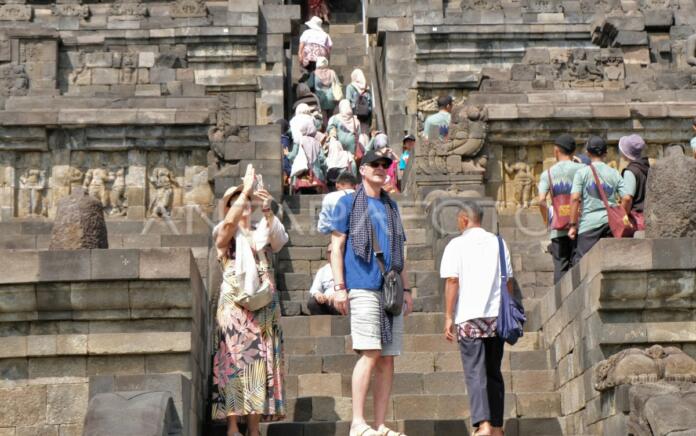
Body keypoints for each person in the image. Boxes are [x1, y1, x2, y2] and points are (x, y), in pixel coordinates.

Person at [329, 149, 413, 436]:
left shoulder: (392, 207)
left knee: (388, 357)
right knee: (371, 351)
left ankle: (379, 424)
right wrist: (339, 287)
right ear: (362, 170)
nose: (380, 168)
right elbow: (336, 247)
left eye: (385, 165)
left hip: (390, 288)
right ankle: (357, 423)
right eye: (374, 164)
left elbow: (400, 252)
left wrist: (408, 288)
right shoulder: (347, 204)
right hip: (362, 284)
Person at [211, 164, 289, 436]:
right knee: (232, 363)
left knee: (258, 365)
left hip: (263, 307)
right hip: (234, 308)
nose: (243, 205)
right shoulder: (223, 235)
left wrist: (268, 210)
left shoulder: (260, 232)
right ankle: (233, 426)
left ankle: (254, 428)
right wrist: (245, 189)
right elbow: (229, 225)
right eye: (235, 203)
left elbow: (279, 241)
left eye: (245, 202)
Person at [441, 200, 513, 436]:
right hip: (496, 317)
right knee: (494, 371)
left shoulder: (456, 245)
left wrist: (448, 316)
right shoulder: (499, 243)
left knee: (475, 371)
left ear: (463, 219)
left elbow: (452, 281)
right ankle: (498, 427)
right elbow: (508, 282)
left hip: (470, 316)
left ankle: (483, 425)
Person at [569, 136, 631, 263]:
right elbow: (627, 198)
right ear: (606, 154)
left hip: (589, 225)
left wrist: (573, 225)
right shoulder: (614, 173)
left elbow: (575, 198)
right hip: (610, 224)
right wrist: (621, 215)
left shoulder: (582, 173)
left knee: (583, 264)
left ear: (587, 152)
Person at [536, 134, 584, 284]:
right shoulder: (583, 169)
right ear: (573, 151)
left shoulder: (548, 173)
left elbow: (541, 200)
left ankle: (560, 304)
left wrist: (547, 221)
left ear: (556, 150)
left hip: (558, 227)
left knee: (560, 266)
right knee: (579, 265)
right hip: (580, 225)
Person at [288, 115, 328, 194]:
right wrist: (324, 175)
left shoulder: (299, 141)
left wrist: (287, 154)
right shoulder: (317, 143)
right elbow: (323, 161)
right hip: (316, 176)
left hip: (301, 174)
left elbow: (292, 156)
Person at [618, 134, 649, 231]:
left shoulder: (631, 171)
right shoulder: (647, 168)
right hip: (648, 218)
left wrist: (622, 217)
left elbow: (627, 198)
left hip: (635, 220)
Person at [307, 243, 342, 315]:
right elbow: (314, 289)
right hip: (326, 302)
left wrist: (338, 294)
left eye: (334, 251)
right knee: (312, 303)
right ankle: (323, 325)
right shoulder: (323, 270)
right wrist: (318, 294)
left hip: (342, 301)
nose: (331, 254)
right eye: (329, 252)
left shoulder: (348, 268)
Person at [308, 57, 341, 130]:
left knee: (323, 116)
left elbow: (309, 85)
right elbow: (337, 83)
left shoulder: (314, 73)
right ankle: (332, 131)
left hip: (320, 98)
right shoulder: (332, 72)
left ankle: (326, 131)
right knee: (331, 116)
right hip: (331, 97)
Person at [346, 69, 372, 134]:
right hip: (366, 115)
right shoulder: (367, 88)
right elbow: (370, 104)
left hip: (354, 114)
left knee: (356, 134)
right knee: (364, 134)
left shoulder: (350, 87)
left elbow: (348, 100)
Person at [277, 119, 292, 188]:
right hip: (284, 170)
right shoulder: (285, 140)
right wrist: (289, 171)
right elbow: (285, 157)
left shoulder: (274, 138)